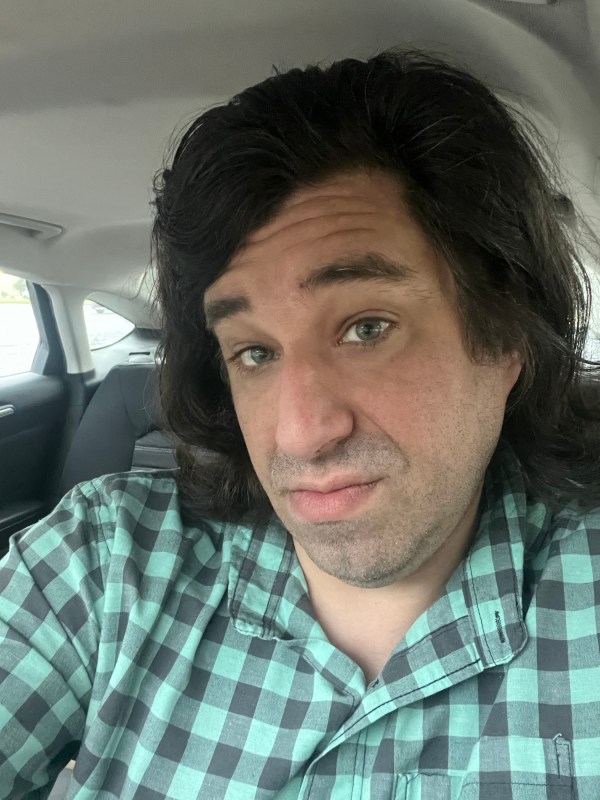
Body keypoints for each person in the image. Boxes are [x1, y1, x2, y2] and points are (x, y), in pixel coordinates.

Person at [1, 50, 599, 800]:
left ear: (505, 338)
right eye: (254, 352)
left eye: (367, 328)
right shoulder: (102, 558)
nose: (300, 434)